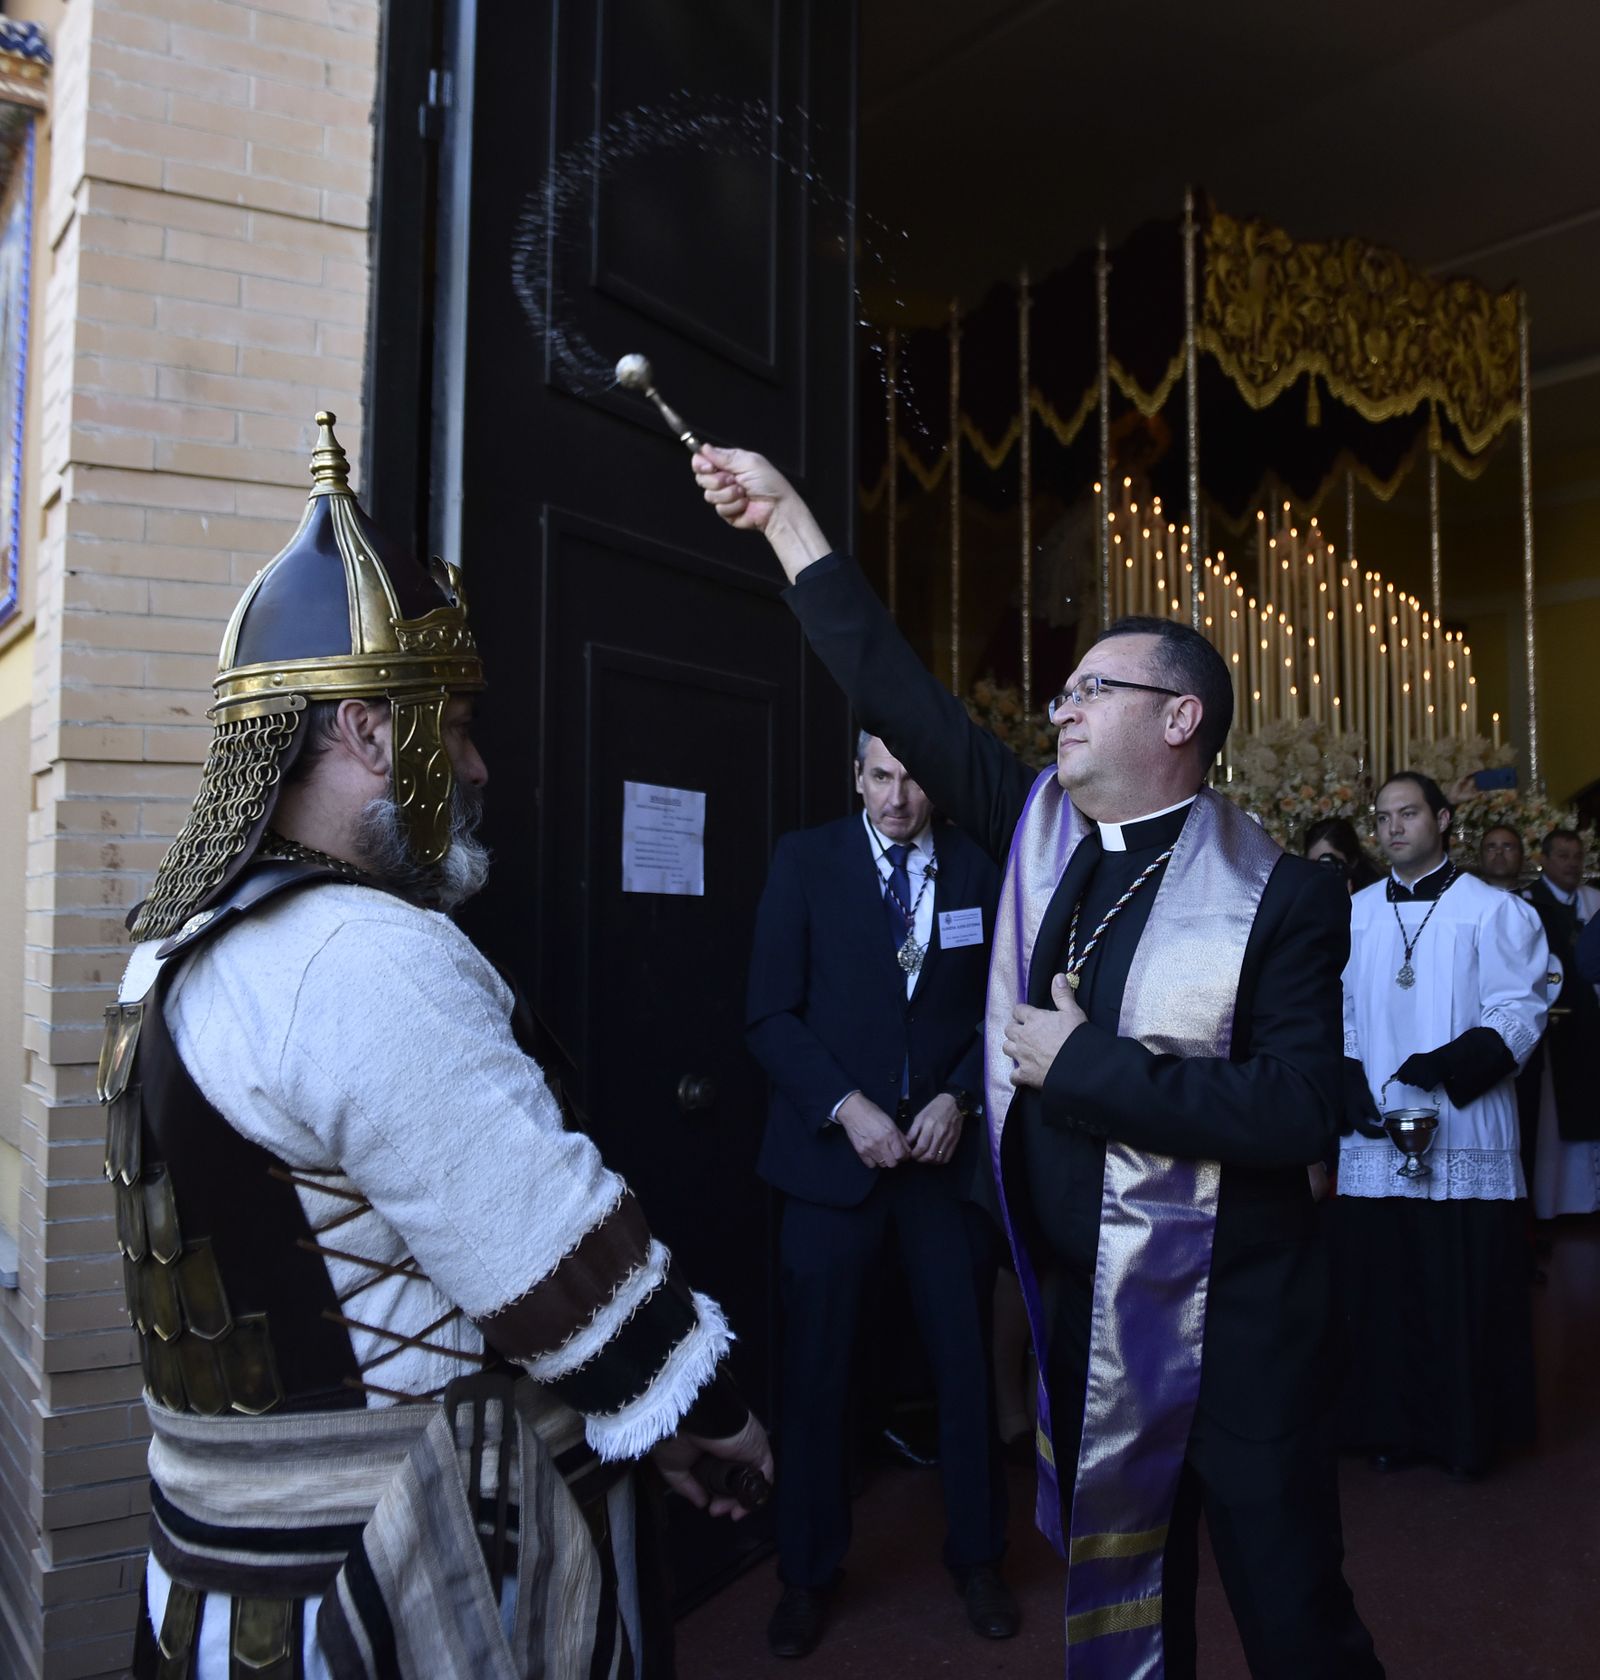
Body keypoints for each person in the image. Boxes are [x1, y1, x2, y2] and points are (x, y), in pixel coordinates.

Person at [691, 444, 1382, 1679]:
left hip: (1243, 1320)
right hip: (1088, 1307)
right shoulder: (1039, 839)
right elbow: (902, 695)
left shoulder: (1283, 899)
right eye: (1060, 692)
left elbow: (1298, 1110)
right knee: (1125, 1588)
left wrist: (1085, 1065)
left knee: (1288, 1607)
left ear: (1179, 716)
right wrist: (788, 521)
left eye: (1089, 687)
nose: (1056, 706)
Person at [105, 416, 771, 1679]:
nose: (473, 764)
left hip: (215, 1579)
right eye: (452, 724)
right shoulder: (363, 954)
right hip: (397, 1579)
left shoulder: (168, 944)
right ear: (364, 729)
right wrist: (714, 1416)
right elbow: (544, 1244)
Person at [748, 731, 1014, 1657]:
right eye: (878, 776)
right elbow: (769, 1013)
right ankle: (807, 1574)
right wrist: (843, 1105)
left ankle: (980, 1558)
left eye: (912, 779)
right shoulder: (806, 860)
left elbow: (1003, 1013)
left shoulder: (983, 871)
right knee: (817, 1377)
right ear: (854, 775)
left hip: (942, 1169)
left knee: (964, 1372)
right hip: (833, 1166)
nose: (896, 799)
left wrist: (959, 1096)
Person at [1337, 772, 1548, 1480]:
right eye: (1383, 817)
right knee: (1387, 1285)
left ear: (1443, 819)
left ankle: (1467, 1431)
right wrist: (1348, 1082)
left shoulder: (1493, 911)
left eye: (1408, 814)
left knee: (1462, 1283)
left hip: (1463, 1123)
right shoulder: (1355, 913)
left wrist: (1448, 1062)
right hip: (1375, 1130)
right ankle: (1391, 1426)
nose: (1393, 827)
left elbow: (1519, 1010)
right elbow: (1339, 1015)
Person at [1523, 829, 1600, 1216]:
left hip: (1590, 1020)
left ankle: (1588, 1198)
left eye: (1577, 856)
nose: (1572, 863)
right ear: (1544, 860)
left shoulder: (1592, 901)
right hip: (1550, 1026)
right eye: (1563, 856)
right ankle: (1553, 1203)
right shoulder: (1527, 904)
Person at [1304, 816, 1380, 895]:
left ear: (1352, 862)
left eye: (1328, 863)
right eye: (1314, 864)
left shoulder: (1376, 896)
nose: (1321, 873)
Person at [1477, 822, 1526, 891]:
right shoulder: (1463, 898)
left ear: (1521, 857)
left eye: (1507, 847)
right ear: (1480, 858)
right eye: (1491, 847)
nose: (1499, 851)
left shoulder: (1533, 900)